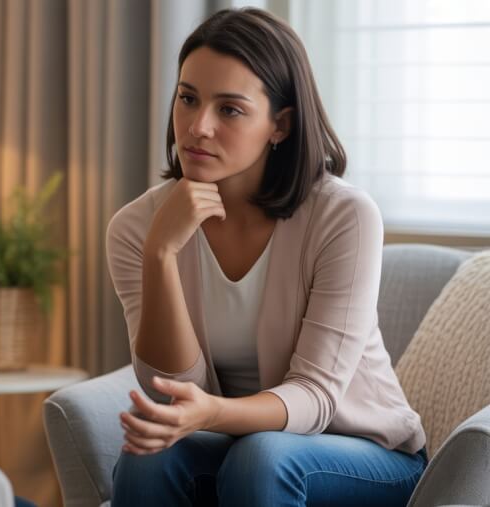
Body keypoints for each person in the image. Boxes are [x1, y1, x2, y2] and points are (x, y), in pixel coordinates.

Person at [106, 8, 426, 507]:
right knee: (148, 458)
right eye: (187, 99)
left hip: (364, 455)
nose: (197, 127)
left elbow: (316, 397)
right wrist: (160, 255)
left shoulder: (343, 217)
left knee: (262, 457)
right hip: (239, 448)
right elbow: (171, 392)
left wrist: (212, 414)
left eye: (229, 109)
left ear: (280, 124)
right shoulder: (136, 228)